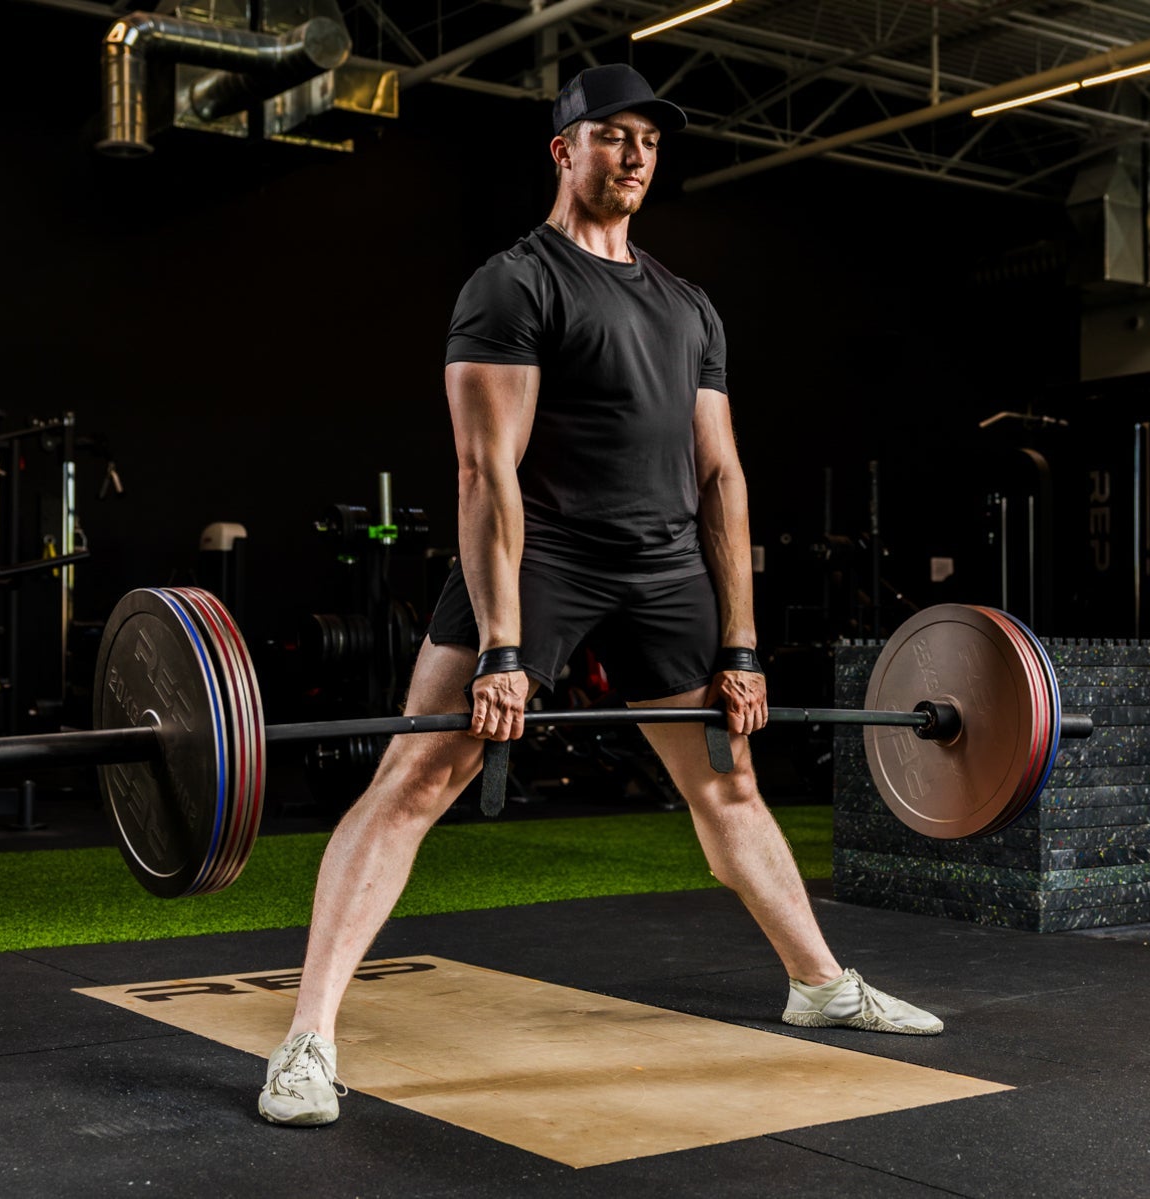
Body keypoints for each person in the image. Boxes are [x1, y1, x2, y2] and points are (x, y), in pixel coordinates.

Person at [258, 63, 941, 1129]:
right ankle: (307, 1039)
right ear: (563, 149)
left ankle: (819, 984)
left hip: (667, 567)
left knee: (729, 779)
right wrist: (499, 644)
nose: (633, 156)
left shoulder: (689, 305)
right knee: (418, 776)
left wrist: (744, 643)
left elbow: (721, 476)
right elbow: (487, 473)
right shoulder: (514, 283)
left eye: (649, 143)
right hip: (547, 556)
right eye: (612, 136)